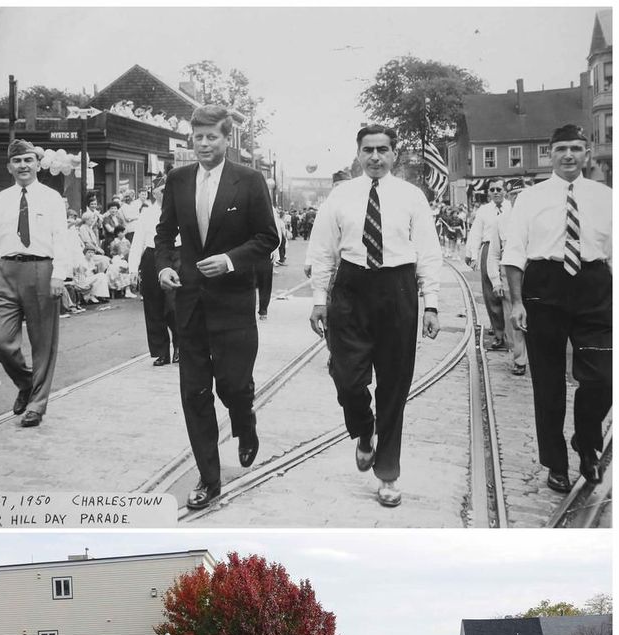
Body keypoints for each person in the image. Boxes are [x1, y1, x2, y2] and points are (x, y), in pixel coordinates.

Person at [308, 123, 442, 509]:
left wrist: (430, 302)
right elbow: (321, 251)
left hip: (398, 291)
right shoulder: (340, 196)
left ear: (394, 154)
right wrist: (320, 299)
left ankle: (388, 473)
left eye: (383, 149)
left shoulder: (412, 197)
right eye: (368, 150)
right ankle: (364, 432)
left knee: (394, 387)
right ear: (358, 153)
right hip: (351, 288)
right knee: (347, 379)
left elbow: (429, 252)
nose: (375, 157)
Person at [154, 103, 279, 510]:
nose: (204, 144)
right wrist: (164, 268)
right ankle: (210, 478)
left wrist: (228, 260)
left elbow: (267, 238)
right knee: (194, 392)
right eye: (199, 137)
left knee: (232, 385)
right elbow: (164, 233)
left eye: (212, 137)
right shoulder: (177, 179)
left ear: (228, 140)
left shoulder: (249, 180)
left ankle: (245, 422)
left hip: (233, 303)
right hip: (189, 302)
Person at [502, 124, 612, 493]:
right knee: (548, 385)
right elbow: (514, 251)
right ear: (550, 154)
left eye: (577, 148)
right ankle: (556, 463)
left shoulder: (604, 196)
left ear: (587, 152)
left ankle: (586, 442)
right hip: (544, 288)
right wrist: (517, 302)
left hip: (594, 287)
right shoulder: (530, 198)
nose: (569, 155)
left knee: (601, 378)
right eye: (562, 148)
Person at [0, 139, 69, 427]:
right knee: (2, 342)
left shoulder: (51, 198)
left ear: (37, 163)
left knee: (43, 344)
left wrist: (58, 275)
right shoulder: (1, 199)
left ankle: (36, 405)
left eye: (28, 160)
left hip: (41, 270)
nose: (23, 166)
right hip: (5, 271)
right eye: (17, 161)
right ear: (9, 167)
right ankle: (27, 384)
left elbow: (61, 237)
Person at [128, 173, 179, 366]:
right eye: (162, 191)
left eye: (169, 190)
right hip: (151, 257)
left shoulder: (181, 210)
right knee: (153, 306)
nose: (166, 194)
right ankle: (161, 351)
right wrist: (133, 269)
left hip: (176, 256)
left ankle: (180, 345)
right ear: (154, 193)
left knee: (175, 306)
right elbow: (137, 243)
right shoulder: (147, 214)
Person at [465, 179, 511, 350]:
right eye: (492, 189)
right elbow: (476, 232)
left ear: (505, 190)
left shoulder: (512, 207)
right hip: (488, 248)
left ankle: (511, 332)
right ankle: (499, 334)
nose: (496, 192)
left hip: (508, 249)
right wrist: (472, 254)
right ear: (489, 192)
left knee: (510, 292)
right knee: (491, 294)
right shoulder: (484, 211)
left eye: (499, 189)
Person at [486, 195, 528, 376]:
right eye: (515, 195)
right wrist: (495, 280)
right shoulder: (501, 221)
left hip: (534, 272)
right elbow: (494, 254)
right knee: (515, 319)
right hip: (509, 274)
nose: (519, 198)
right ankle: (520, 359)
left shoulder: (534, 216)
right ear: (510, 198)